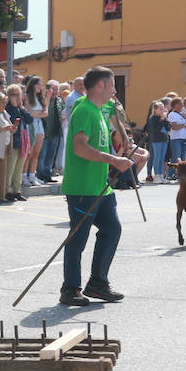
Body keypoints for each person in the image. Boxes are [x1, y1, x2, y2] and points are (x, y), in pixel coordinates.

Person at [58, 66, 147, 307]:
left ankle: (97, 282)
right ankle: (70, 289)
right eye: (111, 85)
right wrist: (113, 160)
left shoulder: (99, 110)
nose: (115, 90)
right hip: (82, 187)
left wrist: (127, 151)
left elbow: (107, 132)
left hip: (100, 186)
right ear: (100, 86)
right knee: (78, 238)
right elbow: (79, 147)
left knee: (112, 229)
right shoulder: (85, 110)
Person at [144, 100, 169, 183]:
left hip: (164, 139)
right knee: (157, 158)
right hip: (156, 140)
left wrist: (165, 119)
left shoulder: (164, 117)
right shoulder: (152, 118)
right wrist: (162, 119)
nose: (162, 110)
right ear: (155, 110)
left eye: (163, 108)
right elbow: (155, 129)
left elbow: (168, 128)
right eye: (160, 109)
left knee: (162, 158)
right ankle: (156, 175)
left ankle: (161, 175)